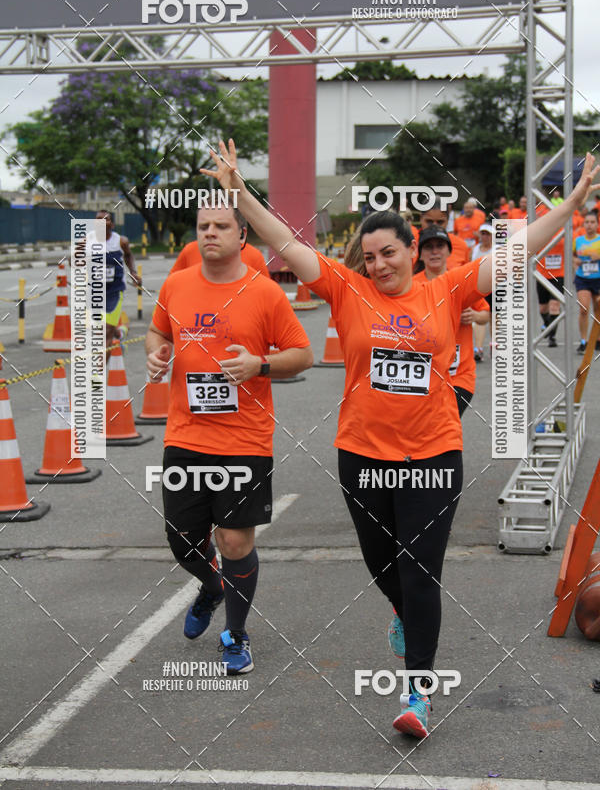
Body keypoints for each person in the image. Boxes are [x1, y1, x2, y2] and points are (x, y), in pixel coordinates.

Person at [202, 139, 600, 739]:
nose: (379, 264)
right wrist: (240, 195)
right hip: (361, 455)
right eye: (369, 255)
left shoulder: (449, 288)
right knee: (382, 565)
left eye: (389, 251)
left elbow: (518, 254)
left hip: (432, 455)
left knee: (420, 572)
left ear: (413, 248)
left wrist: (567, 207)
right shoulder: (345, 289)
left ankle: (419, 692)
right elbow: (285, 243)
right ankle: (404, 613)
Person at [145, 202, 313, 673]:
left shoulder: (263, 293)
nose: (210, 233)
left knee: (235, 541)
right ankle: (212, 585)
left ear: (242, 236)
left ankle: (236, 635)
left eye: (221, 226)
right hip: (185, 434)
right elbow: (157, 333)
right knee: (182, 539)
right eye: (203, 226)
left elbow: (303, 354)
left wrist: (260, 365)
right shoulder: (177, 284)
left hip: (245, 439)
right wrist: (157, 354)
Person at [415, 227, 489, 415]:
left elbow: (486, 315)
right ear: (419, 254)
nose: (434, 251)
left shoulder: (461, 282)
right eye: (428, 247)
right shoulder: (411, 285)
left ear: (448, 251)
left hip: (459, 376)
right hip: (423, 375)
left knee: (445, 423)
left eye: (440, 246)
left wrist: (474, 315)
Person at [94, 210, 141, 358]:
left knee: (105, 331)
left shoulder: (121, 241)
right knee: (98, 328)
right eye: (98, 219)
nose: (101, 222)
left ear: (112, 224)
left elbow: (128, 255)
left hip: (114, 291)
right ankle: (119, 334)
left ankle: (97, 375)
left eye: (105, 219)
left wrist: (133, 272)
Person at [171, 231, 270, 278]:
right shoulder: (190, 251)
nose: (211, 232)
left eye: (222, 226)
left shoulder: (253, 255)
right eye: (205, 226)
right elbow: (171, 289)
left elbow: (266, 298)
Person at [534, 202, 565, 349]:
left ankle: (552, 337)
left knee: (554, 306)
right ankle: (547, 323)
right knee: (543, 309)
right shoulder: (540, 232)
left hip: (558, 275)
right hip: (542, 275)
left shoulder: (563, 231)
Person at [573, 209, 600, 354]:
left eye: (592, 222)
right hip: (583, 278)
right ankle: (583, 341)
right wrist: (575, 261)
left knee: (598, 310)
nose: (589, 225)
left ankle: (597, 338)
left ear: (597, 224)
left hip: (598, 278)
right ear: (584, 224)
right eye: (587, 222)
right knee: (584, 309)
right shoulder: (578, 240)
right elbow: (572, 257)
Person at [419, 198, 470, 267]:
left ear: (448, 221)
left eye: (440, 222)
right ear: (421, 219)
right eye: (429, 222)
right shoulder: (409, 244)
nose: (435, 227)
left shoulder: (461, 245)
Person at [470, 225, 495, 359]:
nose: (485, 237)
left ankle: (494, 344)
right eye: (483, 234)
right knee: (480, 316)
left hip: (495, 286)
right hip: (479, 287)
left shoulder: (497, 250)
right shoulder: (474, 250)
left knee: (494, 317)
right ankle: (478, 348)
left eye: (487, 234)